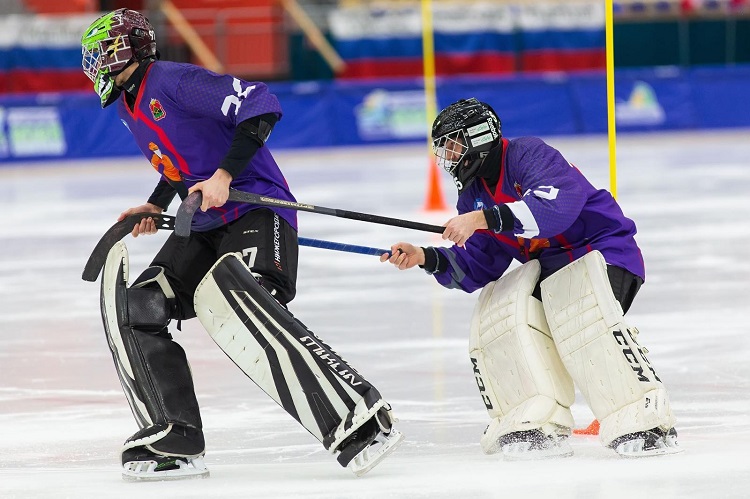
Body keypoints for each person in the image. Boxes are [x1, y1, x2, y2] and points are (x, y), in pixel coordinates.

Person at [81, 8, 402, 481]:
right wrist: (155, 204)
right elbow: (178, 166)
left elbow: (260, 100)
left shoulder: (172, 80)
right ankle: (176, 436)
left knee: (244, 299)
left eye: (102, 52)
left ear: (128, 49)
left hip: (258, 210)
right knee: (139, 306)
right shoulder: (131, 107)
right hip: (206, 223)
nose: (94, 63)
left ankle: (358, 414)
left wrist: (226, 174)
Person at [381, 98, 681, 460]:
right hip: (554, 272)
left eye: (454, 144)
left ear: (479, 137)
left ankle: (645, 421)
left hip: (603, 253)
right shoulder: (472, 196)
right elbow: (480, 265)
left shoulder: (528, 155)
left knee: (580, 310)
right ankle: (536, 422)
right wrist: (425, 257)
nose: (448, 156)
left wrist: (483, 220)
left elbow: (556, 209)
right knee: (505, 317)